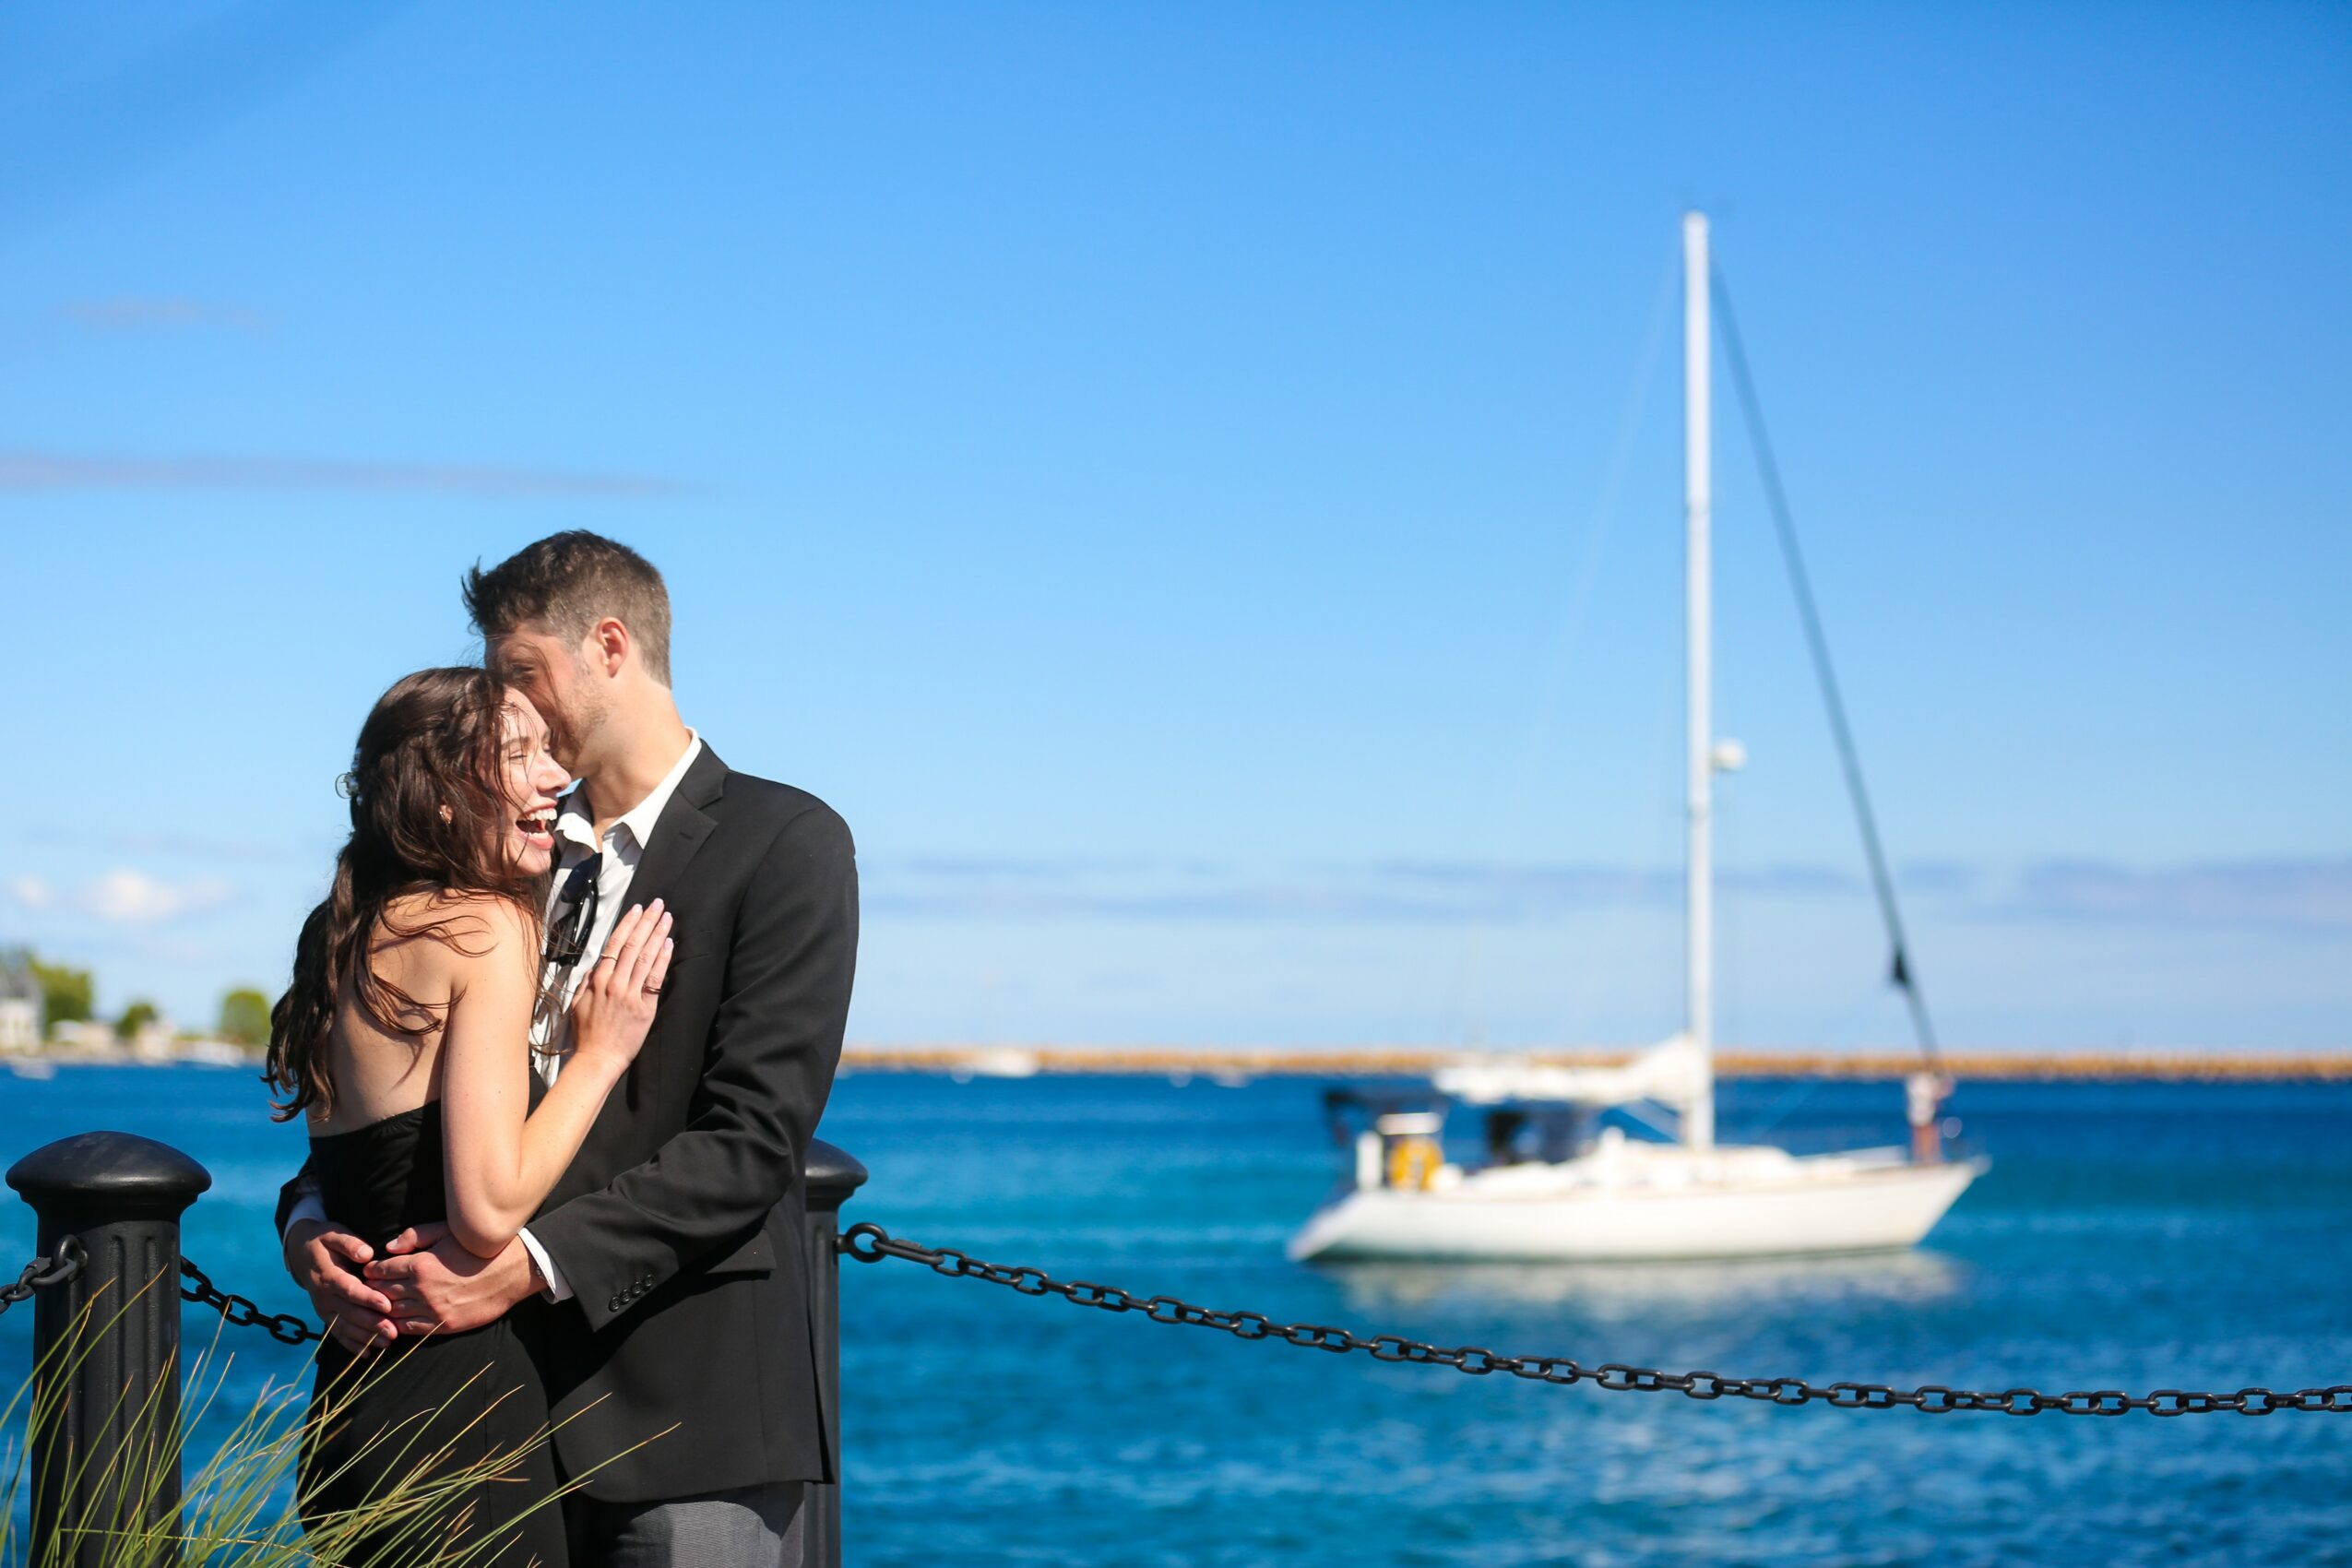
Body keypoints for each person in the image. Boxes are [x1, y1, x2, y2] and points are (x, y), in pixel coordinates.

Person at [278, 532, 860, 1567]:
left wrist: (524, 1267)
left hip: (684, 1424)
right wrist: (317, 1217)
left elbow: (752, 1139)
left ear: (607, 646)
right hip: (486, 1418)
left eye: (521, 673)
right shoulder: (501, 846)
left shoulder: (788, 841)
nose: (511, 705)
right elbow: (410, 1090)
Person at [268, 666, 675, 1567]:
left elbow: (350, 1168)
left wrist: (301, 1230)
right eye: (521, 755)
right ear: (446, 797)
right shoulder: (484, 926)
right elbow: (487, 1210)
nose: (555, 776)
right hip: (457, 1430)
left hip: (350, 1416)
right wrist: (602, 1051)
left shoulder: (353, 928)